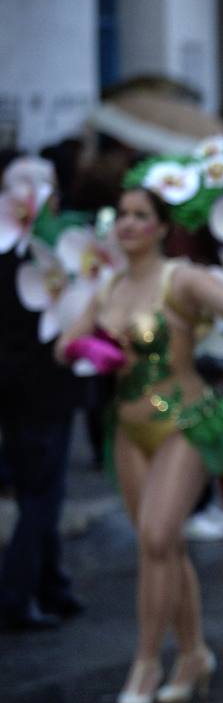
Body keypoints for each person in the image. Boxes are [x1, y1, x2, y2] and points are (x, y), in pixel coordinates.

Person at [55, 186, 223, 703]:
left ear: (161, 227)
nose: (127, 224)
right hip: (128, 432)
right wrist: (89, 347)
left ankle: (145, 664)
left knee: (154, 536)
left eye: (140, 215)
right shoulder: (110, 287)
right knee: (164, 550)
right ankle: (193, 655)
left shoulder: (181, 278)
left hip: (186, 423)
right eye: (121, 215)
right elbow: (64, 345)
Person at [0, 151, 83, 630]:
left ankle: (53, 585)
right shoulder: (37, 249)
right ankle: (16, 595)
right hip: (42, 386)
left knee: (42, 488)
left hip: (19, 388)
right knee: (41, 495)